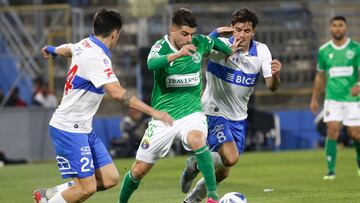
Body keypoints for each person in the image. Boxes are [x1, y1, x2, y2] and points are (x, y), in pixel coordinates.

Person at [32, 8, 173, 203]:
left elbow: (68, 48)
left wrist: (52, 50)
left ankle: (52, 195)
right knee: (86, 188)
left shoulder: (85, 44)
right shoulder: (96, 57)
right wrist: (153, 112)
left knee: (109, 178)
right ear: (115, 34)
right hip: (68, 128)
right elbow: (117, 93)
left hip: (83, 128)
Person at [118, 8, 234, 203]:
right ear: (172, 30)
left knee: (198, 141)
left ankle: (212, 196)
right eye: (184, 34)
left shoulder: (199, 43)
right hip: (164, 118)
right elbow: (151, 64)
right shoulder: (160, 47)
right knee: (138, 170)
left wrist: (231, 49)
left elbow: (218, 46)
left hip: (192, 114)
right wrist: (178, 54)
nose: (189, 39)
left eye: (192, 34)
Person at [180, 8, 282, 203]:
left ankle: (192, 196)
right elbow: (196, 49)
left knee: (224, 171)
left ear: (253, 32)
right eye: (237, 30)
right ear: (232, 29)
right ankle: (195, 163)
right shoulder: (220, 45)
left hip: (238, 117)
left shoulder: (262, 51)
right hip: (213, 110)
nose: (241, 35)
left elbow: (272, 87)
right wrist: (216, 33)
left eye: (246, 31)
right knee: (231, 157)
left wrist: (276, 76)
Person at [310, 15, 360, 180]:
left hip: (353, 99)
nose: (338, 28)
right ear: (330, 28)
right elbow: (320, 76)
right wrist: (315, 98)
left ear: (345, 28)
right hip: (332, 98)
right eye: (335, 25)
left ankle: (359, 162)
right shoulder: (324, 50)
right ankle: (330, 170)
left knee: (355, 134)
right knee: (332, 130)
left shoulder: (356, 48)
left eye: (341, 25)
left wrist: (359, 84)